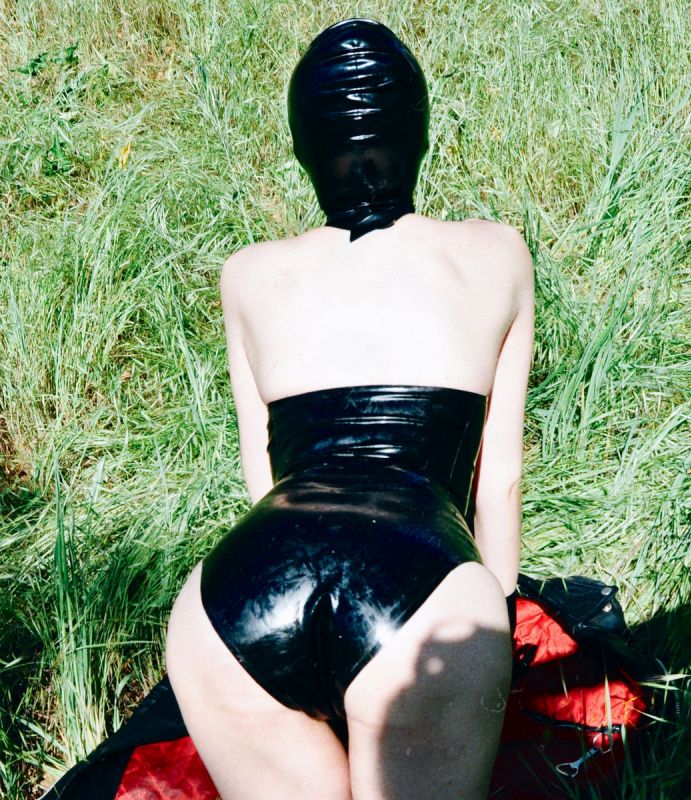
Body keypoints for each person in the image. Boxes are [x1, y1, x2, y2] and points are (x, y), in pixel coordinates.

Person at [164, 17, 534, 800]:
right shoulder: (498, 253)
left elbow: (262, 478)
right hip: (421, 581)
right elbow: (497, 481)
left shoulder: (247, 274)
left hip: (236, 599)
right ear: (419, 135)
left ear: (304, 149)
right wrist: (493, 627)